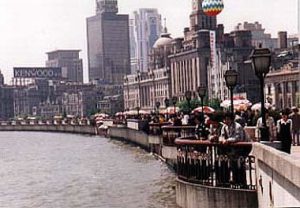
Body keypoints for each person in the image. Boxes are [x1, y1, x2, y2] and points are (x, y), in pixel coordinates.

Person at [218, 112, 247, 187]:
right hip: (232, 150)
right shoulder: (224, 127)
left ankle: (242, 183)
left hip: (242, 149)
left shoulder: (238, 126)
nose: (225, 121)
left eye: (227, 119)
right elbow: (221, 136)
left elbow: (238, 138)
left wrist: (227, 140)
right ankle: (235, 181)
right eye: (225, 119)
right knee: (233, 165)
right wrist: (222, 139)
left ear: (231, 119)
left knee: (240, 166)